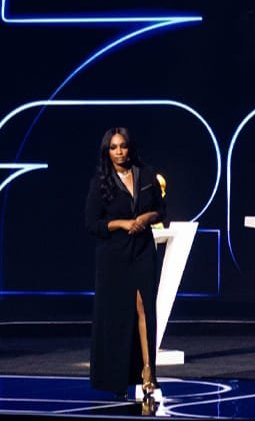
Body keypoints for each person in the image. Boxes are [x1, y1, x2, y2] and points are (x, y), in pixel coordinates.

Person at [84, 127, 167, 400]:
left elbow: (161, 211)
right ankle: (118, 378)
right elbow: (92, 223)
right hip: (113, 256)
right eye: (114, 147)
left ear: (130, 147)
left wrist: (146, 218)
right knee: (118, 314)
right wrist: (122, 223)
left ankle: (148, 372)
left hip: (142, 250)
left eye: (123, 146)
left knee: (145, 308)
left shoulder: (146, 174)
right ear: (107, 151)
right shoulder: (101, 182)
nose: (119, 152)